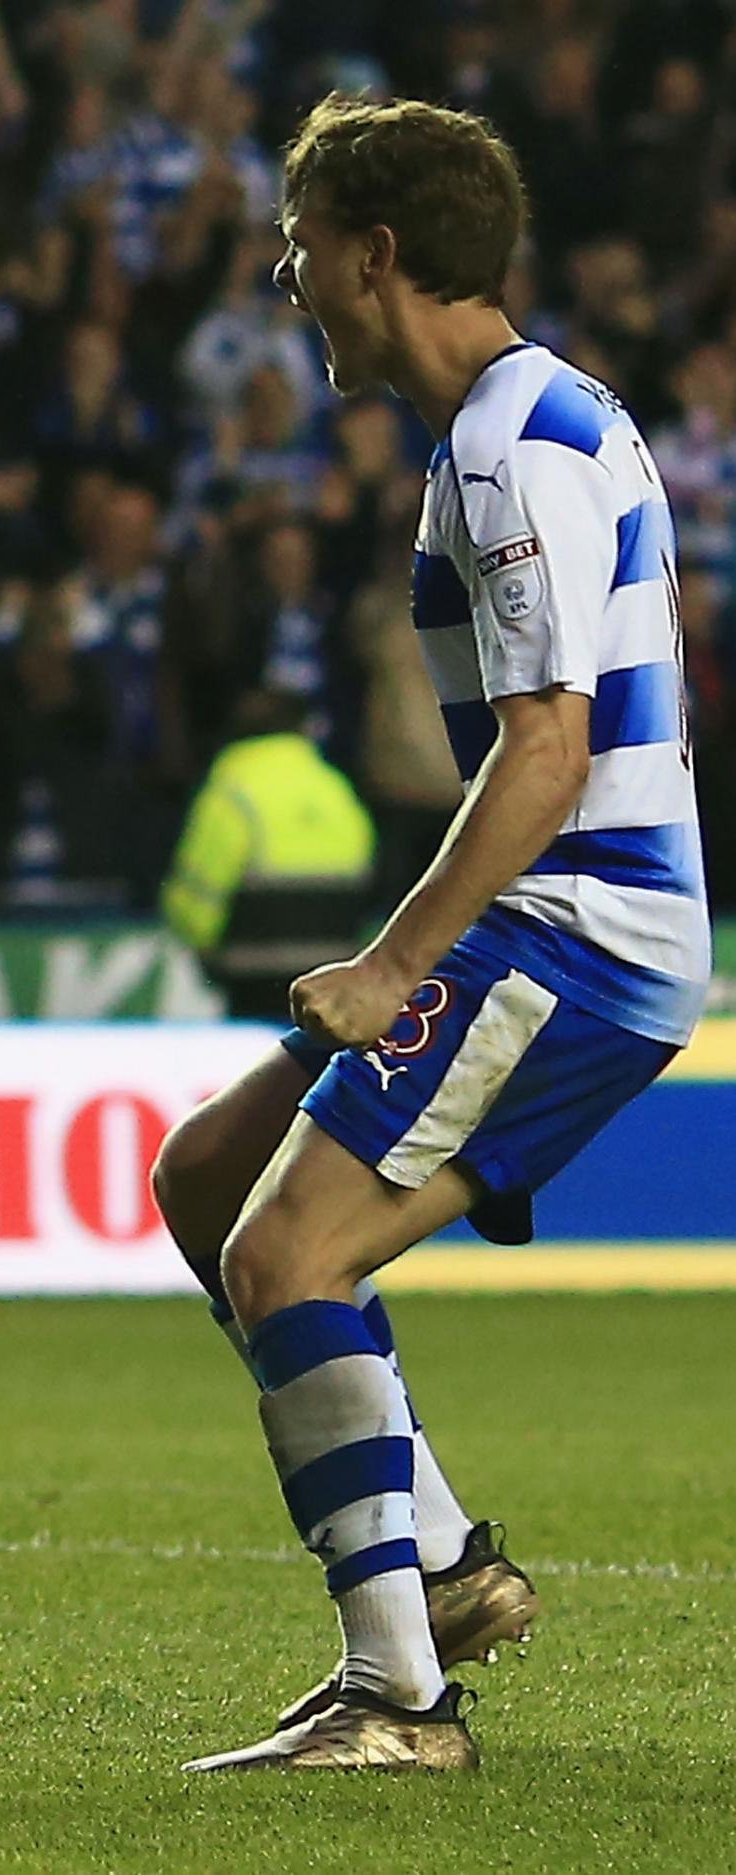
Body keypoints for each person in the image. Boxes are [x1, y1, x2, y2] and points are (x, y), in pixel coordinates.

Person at [151, 96, 706, 1773]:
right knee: (206, 1182)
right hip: (569, 918)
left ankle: (400, 1699)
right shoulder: (533, 419)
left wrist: (395, 960)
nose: (286, 272)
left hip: (578, 929)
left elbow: (548, 748)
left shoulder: (507, 448)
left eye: (305, 244)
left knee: (283, 1258)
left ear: (376, 256)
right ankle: (447, 1567)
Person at [160, 689, 375, 1021]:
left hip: (250, 972)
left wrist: (201, 946)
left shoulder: (231, 789)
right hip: (331, 968)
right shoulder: (335, 786)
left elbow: (197, 893)